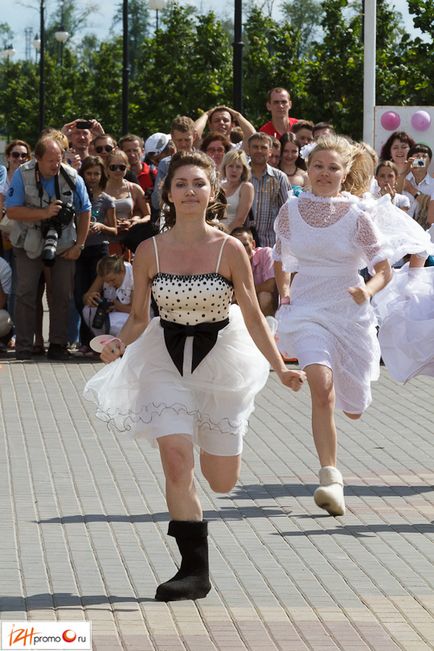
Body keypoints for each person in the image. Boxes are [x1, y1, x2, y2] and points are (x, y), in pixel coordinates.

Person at [84, 151, 305, 602]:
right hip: (163, 358)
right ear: (168, 192)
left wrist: (280, 367)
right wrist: (118, 344)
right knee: (176, 459)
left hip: (223, 358)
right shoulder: (149, 249)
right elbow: (140, 317)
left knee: (221, 480)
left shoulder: (230, 248)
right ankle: (193, 572)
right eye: (181, 183)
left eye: (199, 183)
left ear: (212, 193)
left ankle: (221, 443)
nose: (189, 191)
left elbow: (253, 314)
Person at [273, 135, 393, 517]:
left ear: (345, 173)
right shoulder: (290, 211)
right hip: (307, 309)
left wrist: (366, 290)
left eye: (333, 168)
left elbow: (383, 270)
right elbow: (280, 257)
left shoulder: (358, 216)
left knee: (354, 407)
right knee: (321, 389)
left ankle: (350, 389)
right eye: (318, 166)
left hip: (349, 313)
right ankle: (330, 478)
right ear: (308, 170)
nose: (324, 174)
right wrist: (285, 289)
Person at [6, 136, 91, 361]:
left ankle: (58, 345)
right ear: (37, 159)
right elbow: (12, 211)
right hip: (28, 243)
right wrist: (44, 214)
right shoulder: (22, 175)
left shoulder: (72, 177)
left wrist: (79, 245)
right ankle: (24, 347)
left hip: (63, 243)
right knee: (26, 293)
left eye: (59, 159)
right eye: (51, 161)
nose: (56, 165)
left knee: (62, 294)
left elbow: (85, 211)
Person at [75, 156, 117, 351]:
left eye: (96, 173)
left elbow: (115, 229)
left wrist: (101, 226)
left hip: (99, 250)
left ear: (102, 175)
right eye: (89, 173)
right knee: (79, 294)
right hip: (80, 249)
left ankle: (95, 341)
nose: (92, 177)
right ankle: (84, 339)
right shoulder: (78, 195)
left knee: (96, 294)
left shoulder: (107, 200)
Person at [104, 149, 151, 255]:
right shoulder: (99, 189)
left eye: (122, 167)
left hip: (130, 242)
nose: (117, 170)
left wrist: (134, 222)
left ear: (127, 168)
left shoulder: (134, 188)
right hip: (106, 242)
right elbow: (92, 216)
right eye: (113, 167)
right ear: (106, 169)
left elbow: (148, 215)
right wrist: (110, 222)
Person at [248, 132, 290, 247]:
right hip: (243, 243)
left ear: (270, 151)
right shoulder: (240, 174)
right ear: (248, 149)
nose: (259, 151)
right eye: (255, 147)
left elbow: (287, 212)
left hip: (271, 244)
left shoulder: (280, 177)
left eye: (263, 147)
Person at [82, 254, 133, 339]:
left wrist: (115, 305)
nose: (110, 284)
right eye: (107, 281)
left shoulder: (133, 276)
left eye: (113, 280)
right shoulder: (105, 274)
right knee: (88, 310)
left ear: (121, 271)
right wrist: (89, 298)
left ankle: (120, 347)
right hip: (114, 314)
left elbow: (137, 310)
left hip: (133, 318)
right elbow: (85, 297)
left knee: (109, 320)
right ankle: (102, 344)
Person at [231, 226, 277, 316]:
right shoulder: (229, 262)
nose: (241, 250)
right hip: (247, 301)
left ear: (253, 244)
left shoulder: (266, 253)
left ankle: (268, 327)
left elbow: (270, 285)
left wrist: (243, 292)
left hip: (267, 301)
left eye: (245, 245)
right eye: (237, 246)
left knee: (264, 296)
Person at [220, 149, 254, 231]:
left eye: (238, 167)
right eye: (230, 166)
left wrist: (223, 236)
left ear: (243, 170)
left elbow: (240, 219)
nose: (234, 170)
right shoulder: (218, 186)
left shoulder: (246, 187)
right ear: (225, 168)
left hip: (232, 235)